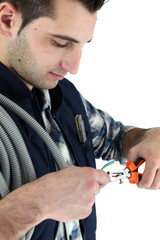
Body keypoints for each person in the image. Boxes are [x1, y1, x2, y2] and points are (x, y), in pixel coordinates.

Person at [0, 0, 160, 239]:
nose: (73, 67)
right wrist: (37, 202)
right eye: (60, 43)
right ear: (7, 19)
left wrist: (147, 137)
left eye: (82, 45)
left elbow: (114, 137)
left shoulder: (61, 94)